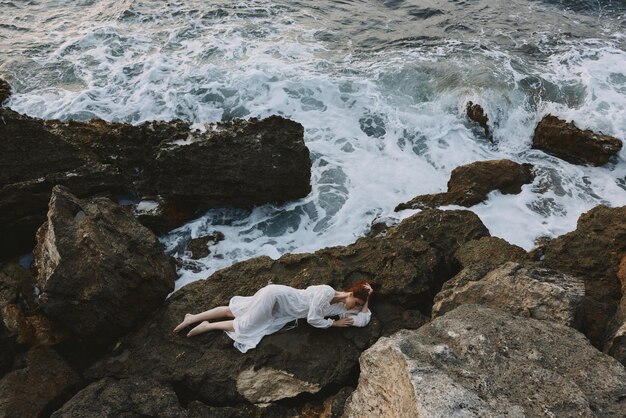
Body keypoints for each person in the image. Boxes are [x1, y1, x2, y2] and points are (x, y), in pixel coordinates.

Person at [173, 281, 374, 353]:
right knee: (246, 326)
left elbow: (363, 318)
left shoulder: (338, 306)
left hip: (279, 305)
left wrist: (367, 299)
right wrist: (334, 325)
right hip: (276, 296)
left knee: (235, 310)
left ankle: (193, 317)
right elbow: (313, 319)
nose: (354, 307)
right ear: (350, 294)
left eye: (357, 305)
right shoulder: (327, 292)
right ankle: (207, 325)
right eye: (355, 302)